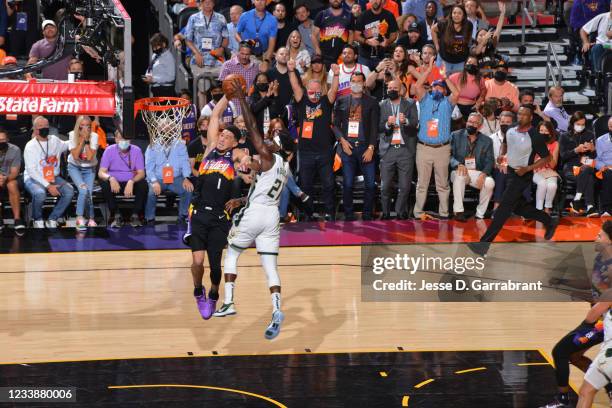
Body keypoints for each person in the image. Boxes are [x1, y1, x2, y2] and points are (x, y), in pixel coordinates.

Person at [216, 79, 289, 340]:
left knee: (232, 253)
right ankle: (277, 309)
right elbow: (261, 180)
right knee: (270, 266)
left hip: (258, 212)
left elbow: (252, 128)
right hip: (271, 215)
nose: (267, 141)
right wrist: (242, 200)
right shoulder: (282, 165)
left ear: (278, 148)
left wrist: (242, 99)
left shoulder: (269, 155)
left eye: (272, 140)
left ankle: (228, 303)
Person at [184, 94, 250, 320]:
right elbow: (214, 115)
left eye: (228, 136)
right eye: (222, 134)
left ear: (235, 142)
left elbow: (248, 161)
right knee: (197, 261)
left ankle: (213, 292)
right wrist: (227, 95)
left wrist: (247, 163)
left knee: (215, 266)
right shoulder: (211, 147)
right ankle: (197, 290)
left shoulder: (237, 154)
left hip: (221, 217)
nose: (222, 138)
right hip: (199, 212)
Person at [470, 105, 558, 256]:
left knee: (502, 209)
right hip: (510, 172)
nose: (521, 117)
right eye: (519, 114)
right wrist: (502, 155)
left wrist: (528, 168)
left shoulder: (534, 136)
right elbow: (506, 142)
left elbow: (547, 158)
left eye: (524, 115)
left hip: (522, 175)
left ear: (531, 118)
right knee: (519, 208)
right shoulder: (510, 128)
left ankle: (483, 245)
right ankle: (548, 221)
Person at [541, 221, 612, 408]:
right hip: (600, 320)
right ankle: (609, 383)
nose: (595, 238)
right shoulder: (600, 260)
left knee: (560, 351)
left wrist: (585, 325)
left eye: (600, 235)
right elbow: (593, 285)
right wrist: (563, 282)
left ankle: (563, 400)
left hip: (601, 323)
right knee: (574, 356)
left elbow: (603, 301)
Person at [288, 59, 340, 221]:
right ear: (307, 90)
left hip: (325, 152)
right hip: (306, 152)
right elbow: (296, 86)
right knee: (306, 186)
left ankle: (330, 213)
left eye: (317, 90)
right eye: (311, 90)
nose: (314, 93)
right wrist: (291, 71)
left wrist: (337, 74)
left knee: (329, 185)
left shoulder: (326, 101)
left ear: (321, 91)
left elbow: (334, 90)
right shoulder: (302, 100)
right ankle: (307, 214)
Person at [412, 60, 460, 220]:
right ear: (431, 89)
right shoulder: (425, 100)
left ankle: (444, 213)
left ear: (444, 91)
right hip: (424, 148)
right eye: (434, 86)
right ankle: (418, 213)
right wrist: (429, 70)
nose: (437, 89)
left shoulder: (448, 103)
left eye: (440, 87)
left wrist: (445, 77)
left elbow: (457, 94)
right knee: (422, 183)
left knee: (443, 184)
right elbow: (417, 86)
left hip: (442, 149)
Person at [333, 71, 379, 221]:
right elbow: (334, 125)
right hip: (348, 147)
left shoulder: (372, 102)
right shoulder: (341, 101)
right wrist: (342, 141)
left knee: (371, 185)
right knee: (347, 184)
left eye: (359, 81)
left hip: (366, 148)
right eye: (353, 80)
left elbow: (374, 127)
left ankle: (366, 214)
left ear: (364, 83)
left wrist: (371, 147)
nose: (356, 83)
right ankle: (348, 214)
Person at [378, 79, 418, 220]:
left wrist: (406, 121)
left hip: (405, 149)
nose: (392, 90)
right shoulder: (382, 105)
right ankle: (385, 212)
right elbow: (378, 127)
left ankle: (400, 211)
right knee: (385, 186)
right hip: (387, 150)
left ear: (401, 90)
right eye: (389, 88)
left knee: (405, 186)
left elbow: (415, 124)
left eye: (395, 88)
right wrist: (388, 125)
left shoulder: (411, 104)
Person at [23, 116, 74, 229]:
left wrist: (75, 137)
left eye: (46, 126)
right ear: (35, 129)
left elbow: (67, 145)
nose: (45, 128)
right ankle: (37, 219)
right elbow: (32, 171)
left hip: (53, 177)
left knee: (69, 191)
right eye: (41, 126)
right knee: (40, 194)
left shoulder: (54, 140)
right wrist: (49, 186)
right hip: (33, 178)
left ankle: (52, 218)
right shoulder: (30, 146)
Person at [450, 112, 495, 221]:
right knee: (460, 175)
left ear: (480, 126)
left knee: (489, 183)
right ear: (466, 122)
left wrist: (483, 174)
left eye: (475, 123)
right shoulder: (455, 135)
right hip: (458, 170)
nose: (471, 124)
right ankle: (458, 211)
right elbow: (448, 155)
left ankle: (480, 214)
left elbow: (490, 161)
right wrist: (458, 164)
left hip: (477, 172)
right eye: (470, 121)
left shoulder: (487, 141)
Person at [184, 0, 229, 110]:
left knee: (225, 86)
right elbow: (188, 40)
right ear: (201, 3)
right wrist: (196, 54)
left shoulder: (221, 18)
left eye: (210, 2)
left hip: (217, 59)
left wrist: (222, 48)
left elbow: (226, 38)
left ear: (214, 4)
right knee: (202, 87)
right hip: (200, 60)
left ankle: (222, 114)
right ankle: (204, 118)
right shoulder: (193, 18)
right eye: (205, 2)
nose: (208, 4)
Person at [98, 131, 148, 228]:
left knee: (143, 184)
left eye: (126, 139)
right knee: (104, 183)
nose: (123, 141)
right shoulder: (109, 150)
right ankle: (116, 214)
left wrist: (132, 181)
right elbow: (101, 172)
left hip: (130, 183)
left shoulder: (136, 150)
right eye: (120, 138)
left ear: (130, 140)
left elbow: (141, 173)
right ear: (116, 139)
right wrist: (111, 178)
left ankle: (135, 215)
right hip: (114, 183)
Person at [145, 138, 193, 224]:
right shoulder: (152, 146)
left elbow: (185, 162)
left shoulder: (180, 144)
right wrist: (154, 181)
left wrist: (187, 178)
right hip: (158, 178)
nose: (167, 130)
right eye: (164, 127)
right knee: (151, 192)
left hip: (176, 178)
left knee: (188, 189)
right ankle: (150, 218)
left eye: (169, 126)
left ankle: (183, 216)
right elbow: (149, 167)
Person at [561, 111, 598, 217]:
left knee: (587, 170)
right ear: (572, 123)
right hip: (570, 168)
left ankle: (577, 199)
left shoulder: (589, 134)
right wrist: (576, 150)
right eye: (578, 124)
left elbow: (594, 156)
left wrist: (592, 149)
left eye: (583, 124)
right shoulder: (565, 136)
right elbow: (563, 156)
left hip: (586, 165)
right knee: (589, 176)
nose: (581, 127)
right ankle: (590, 206)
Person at [68, 116, 99, 231]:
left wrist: (87, 141)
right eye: (83, 125)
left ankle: (91, 218)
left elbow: (90, 157)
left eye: (88, 126)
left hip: (89, 169)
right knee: (83, 190)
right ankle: (79, 217)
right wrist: (82, 141)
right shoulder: (72, 135)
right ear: (78, 126)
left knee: (89, 193)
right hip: (74, 167)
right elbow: (75, 156)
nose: (86, 128)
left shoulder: (95, 136)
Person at [354, 0, 399, 70]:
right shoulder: (363, 16)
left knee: (383, 79)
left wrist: (388, 41)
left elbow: (394, 34)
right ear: (369, 1)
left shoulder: (389, 15)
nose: (375, 1)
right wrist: (367, 41)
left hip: (382, 55)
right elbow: (356, 36)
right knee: (363, 79)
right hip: (365, 56)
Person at [431, 5, 473, 75]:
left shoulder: (468, 25)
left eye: (459, 13)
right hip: (443, 59)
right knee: (440, 83)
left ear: (463, 15)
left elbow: (469, 39)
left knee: (456, 84)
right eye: (454, 13)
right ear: (451, 14)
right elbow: (433, 30)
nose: (456, 15)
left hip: (460, 60)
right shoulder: (444, 23)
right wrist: (436, 45)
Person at [312, 0, 354, 67]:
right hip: (324, 55)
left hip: (341, 56)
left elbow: (351, 34)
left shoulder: (349, 15)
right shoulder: (321, 14)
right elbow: (313, 35)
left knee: (340, 76)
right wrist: (317, 49)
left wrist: (347, 50)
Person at [532, 121, 560, 214]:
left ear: (550, 132)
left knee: (552, 185)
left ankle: (547, 208)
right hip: (535, 171)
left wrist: (546, 153)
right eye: (541, 130)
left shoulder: (555, 144)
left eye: (546, 131)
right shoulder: (533, 142)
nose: (543, 133)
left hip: (549, 170)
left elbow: (553, 165)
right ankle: (539, 209)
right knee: (542, 184)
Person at [488, 111, 514, 211]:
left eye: (508, 122)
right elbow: (489, 157)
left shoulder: (517, 138)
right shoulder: (491, 138)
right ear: (499, 122)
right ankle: (497, 206)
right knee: (501, 172)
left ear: (512, 123)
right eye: (503, 121)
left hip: (512, 167)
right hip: (496, 167)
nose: (504, 124)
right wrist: (497, 164)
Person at [0, 128, 24, 231]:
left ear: (8, 139)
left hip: (10, 177)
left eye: (3, 140)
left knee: (12, 185)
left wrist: (4, 178)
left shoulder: (15, 150)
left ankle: (17, 219)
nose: (1, 142)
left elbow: (15, 172)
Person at [448, 55, 486, 120]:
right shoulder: (455, 76)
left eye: (474, 63)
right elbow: (444, 84)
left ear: (477, 66)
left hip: (471, 108)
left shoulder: (480, 79)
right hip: (455, 106)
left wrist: (479, 102)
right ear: (465, 64)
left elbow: (484, 90)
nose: (471, 64)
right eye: (469, 62)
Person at [580, 6, 612, 73]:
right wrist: (586, 42)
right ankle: (598, 74)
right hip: (603, 45)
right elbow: (583, 30)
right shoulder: (602, 17)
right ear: (610, 5)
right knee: (597, 47)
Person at [143, 33, 176, 97]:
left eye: (156, 46)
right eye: (153, 47)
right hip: (155, 91)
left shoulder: (169, 57)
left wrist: (154, 79)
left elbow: (171, 77)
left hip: (165, 91)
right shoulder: (155, 55)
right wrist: (147, 76)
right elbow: (150, 68)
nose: (154, 49)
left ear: (163, 44)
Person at [595, 117, 612, 217]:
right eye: (611, 127)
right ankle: (607, 209)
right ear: (608, 127)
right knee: (609, 175)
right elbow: (596, 159)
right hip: (606, 168)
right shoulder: (601, 140)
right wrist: (604, 167)